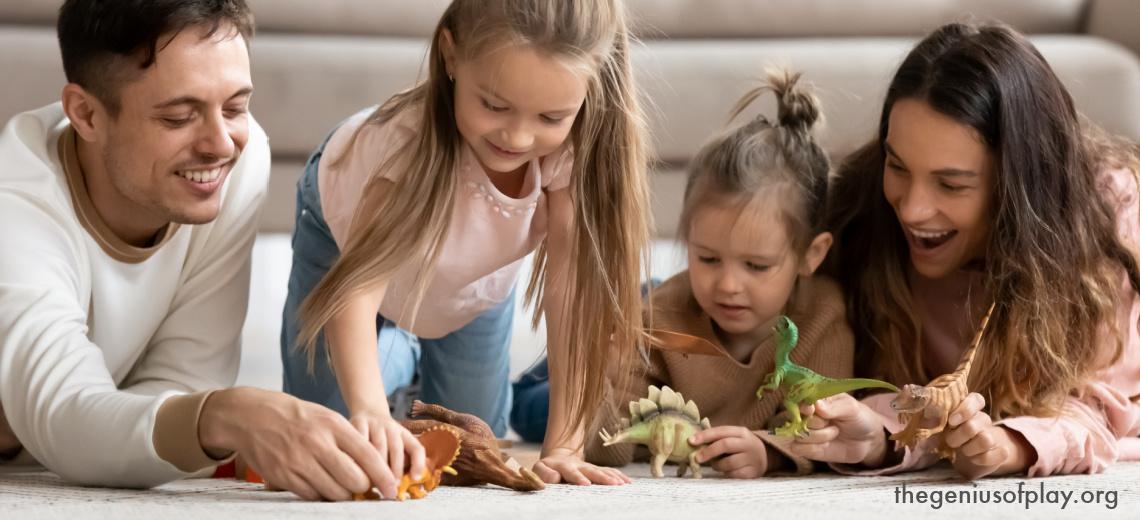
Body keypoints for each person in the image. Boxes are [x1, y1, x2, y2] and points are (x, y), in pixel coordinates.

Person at [0, 0, 395, 502]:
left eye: (235, 107)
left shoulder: (241, 161)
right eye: (178, 117)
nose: (220, 145)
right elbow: (64, 416)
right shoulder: (15, 200)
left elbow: (183, 383)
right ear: (86, 114)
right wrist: (226, 413)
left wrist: (106, 425)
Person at [279, 0, 653, 489]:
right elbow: (358, 287)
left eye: (550, 116)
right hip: (348, 251)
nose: (518, 136)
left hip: (472, 277)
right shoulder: (396, 146)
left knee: (473, 445)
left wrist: (564, 444)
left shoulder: (573, 151)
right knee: (329, 433)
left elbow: (571, 296)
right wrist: (368, 409)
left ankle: (402, 361)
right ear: (451, 55)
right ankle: (396, 351)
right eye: (494, 106)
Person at [791, 22, 1140, 479]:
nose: (912, 209)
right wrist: (879, 436)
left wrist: (1012, 445)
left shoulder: (1105, 216)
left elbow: (1101, 409)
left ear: (1019, 187)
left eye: (951, 184)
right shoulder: (862, 210)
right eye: (897, 165)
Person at [514, 71, 854, 479]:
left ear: (811, 255)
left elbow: (826, 427)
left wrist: (771, 451)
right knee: (528, 408)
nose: (728, 285)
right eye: (708, 258)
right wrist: (602, 363)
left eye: (756, 266)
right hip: (652, 315)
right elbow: (609, 441)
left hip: (658, 305)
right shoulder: (659, 319)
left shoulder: (825, 316)